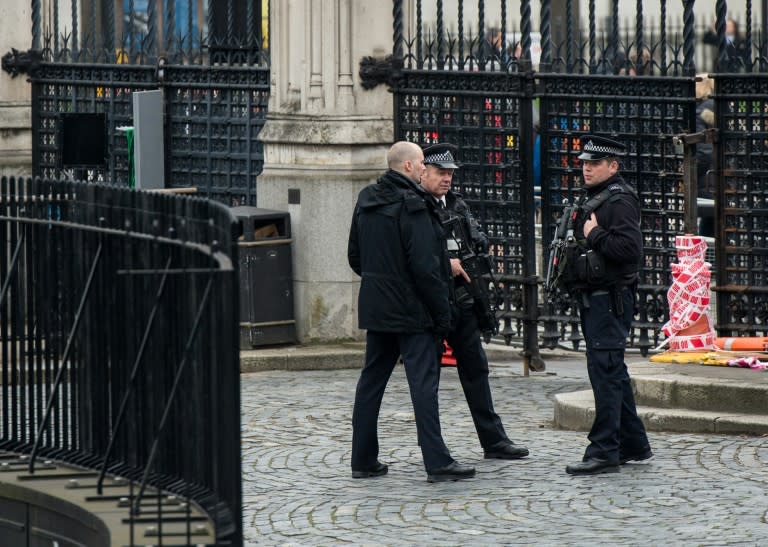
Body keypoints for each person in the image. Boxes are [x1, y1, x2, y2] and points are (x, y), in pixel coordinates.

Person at [348, 141, 476, 483]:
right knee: (423, 385)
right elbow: (425, 268)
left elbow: (355, 257)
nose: (424, 168)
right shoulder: (414, 204)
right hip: (412, 309)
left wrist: (382, 283)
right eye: (421, 163)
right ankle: (437, 462)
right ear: (406, 167)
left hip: (378, 306)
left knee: (371, 381)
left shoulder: (366, 198)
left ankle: (362, 459)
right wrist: (442, 314)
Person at [419, 142, 530, 461]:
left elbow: (476, 240)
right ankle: (433, 448)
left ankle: (493, 440)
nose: (447, 179)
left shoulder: (456, 204)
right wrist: (447, 261)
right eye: (441, 172)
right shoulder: (415, 204)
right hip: (430, 301)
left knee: (476, 369)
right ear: (424, 172)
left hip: (462, 298)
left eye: (450, 173)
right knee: (427, 375)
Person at [560, 135, 653, 475]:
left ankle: (604, 450)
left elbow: (630, 251)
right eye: (584, 162)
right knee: (612, 370)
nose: (587, 168)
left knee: (606, 374)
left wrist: (595, 234)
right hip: (597, 298)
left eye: (594, 163)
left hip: (609, 300)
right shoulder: (599, 198)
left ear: (613, 166)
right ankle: (633, 444)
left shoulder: (619, 201)